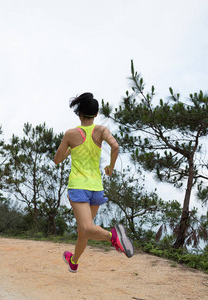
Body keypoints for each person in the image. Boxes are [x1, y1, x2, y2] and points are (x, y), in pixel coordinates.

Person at [54, 92, 134, 273]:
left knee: (87, 228)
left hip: (78, 186)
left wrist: (68, 149)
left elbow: (57, 159)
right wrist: (111, 167)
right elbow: (115, 146)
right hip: (97, 188)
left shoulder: (71, 134)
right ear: (96, 114)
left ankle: (113, 237)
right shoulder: (101, 131)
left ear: (80, 114)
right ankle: (73, 261)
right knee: (84, 231)